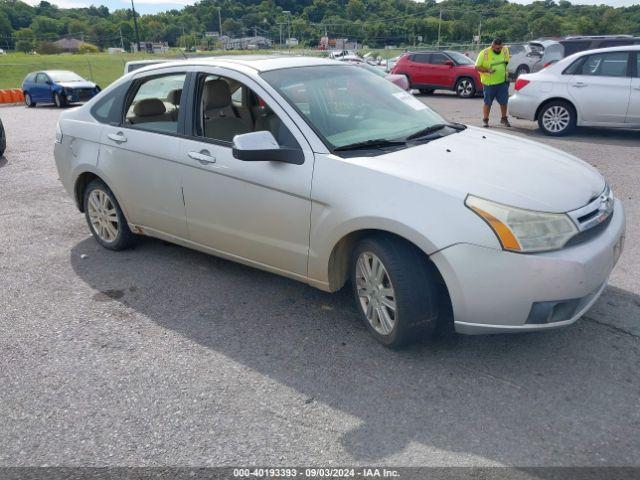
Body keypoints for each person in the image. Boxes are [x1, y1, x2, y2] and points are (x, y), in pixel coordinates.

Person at [475, 38, 511, 128]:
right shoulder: (484, 53)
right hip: (489, 84)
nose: (499, 50)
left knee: (504, 102)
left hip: (502, 82)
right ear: (492, 46)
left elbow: (506, 62)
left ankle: (504, 118)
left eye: (500, 48)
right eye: (497, 48)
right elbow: (477, 67)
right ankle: (485, 120)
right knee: (488, 103)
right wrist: (487, 70)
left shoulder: (505, 50)